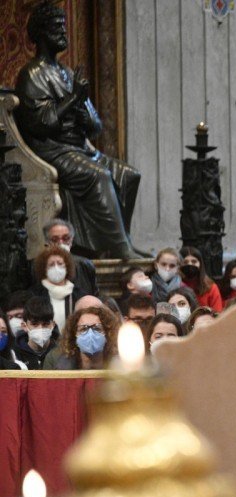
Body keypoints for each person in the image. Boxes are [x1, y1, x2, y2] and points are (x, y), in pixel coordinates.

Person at [15, 2, 141, 259]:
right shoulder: (31, 75)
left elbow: (96, 127)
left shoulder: (67, 72)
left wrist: (83, 110)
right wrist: (73, 99)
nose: (64, 33)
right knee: (99, 176)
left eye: (64, 27)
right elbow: (42, 124)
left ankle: (118, 243)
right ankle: (120, 247)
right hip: (52, 151)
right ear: (41, 34)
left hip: (80, 148)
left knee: (128, 175)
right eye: (57, 28)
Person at [30, 246, 87, 332]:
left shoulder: (79, 295)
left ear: (67, 267)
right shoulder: (35, 294)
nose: (56, 267)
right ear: (44, 269)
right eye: (51, 264)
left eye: (60, 264)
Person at [44, 305, 118, 369]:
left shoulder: (120, 368)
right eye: (83, 329)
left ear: (108, 333)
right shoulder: (60, 368)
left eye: (97, 328)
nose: (90, 334)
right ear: (74, 335)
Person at [42, 218, 98, 295]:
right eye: (55, 239)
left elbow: (94, 294)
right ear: (47, 242)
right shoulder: (36, 266)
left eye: (65, 238)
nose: (60, 242)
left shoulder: (84, 264)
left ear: (71, 241)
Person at [14, 296, 61, 370]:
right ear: (24, 326)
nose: (40, 328)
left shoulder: (63, 353)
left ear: (53, 325)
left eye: (46, 324)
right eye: (34, 324)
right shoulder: (14, 354)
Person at [179, 246, 223, 312]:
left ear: (200, 264)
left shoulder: (210, 287)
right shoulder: (175, 285)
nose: (190, 264)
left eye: (194, 261)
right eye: (185, 262)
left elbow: (217, 313)